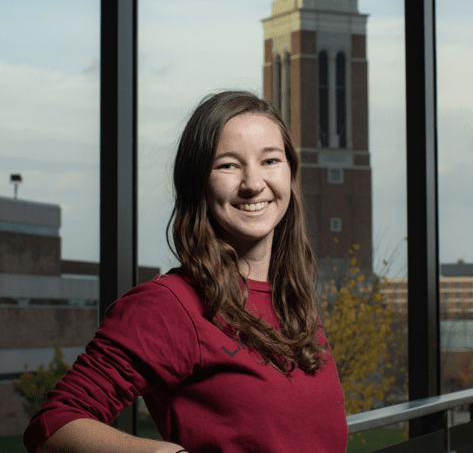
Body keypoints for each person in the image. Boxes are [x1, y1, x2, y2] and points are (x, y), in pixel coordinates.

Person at [23, 90, 348, 453]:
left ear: (291, 174)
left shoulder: (290, 298)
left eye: (270, 160)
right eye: (228, 165)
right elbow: (53, 425)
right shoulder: (169, 305)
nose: (253, 183)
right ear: (198, 183)